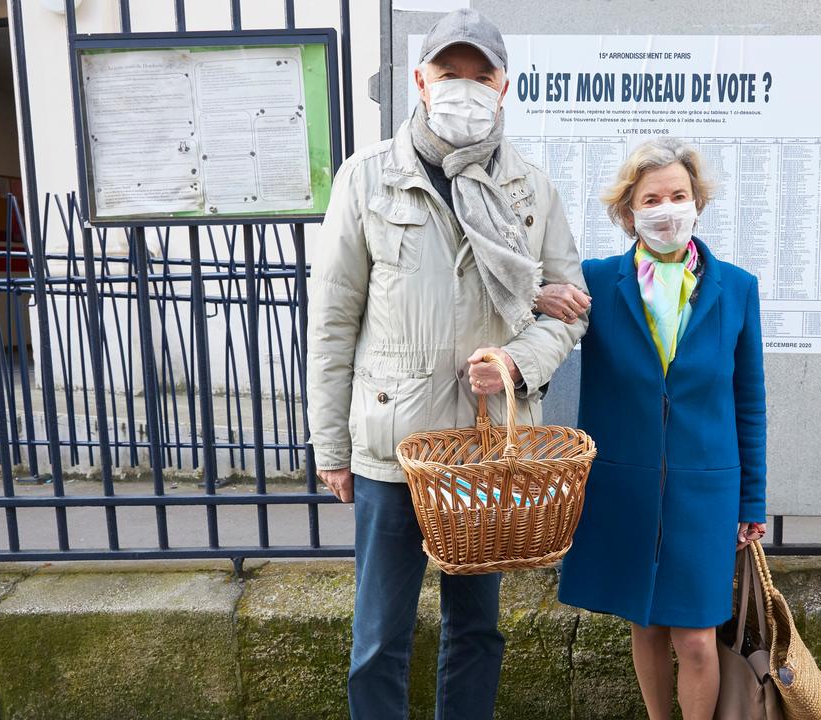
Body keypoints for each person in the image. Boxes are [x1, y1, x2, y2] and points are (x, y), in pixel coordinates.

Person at [305, 9, 587, 719]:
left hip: (488, 450)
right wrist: (330, 446)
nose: (463, 89)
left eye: (479, 76)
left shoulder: (530, 188)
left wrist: (517, 365)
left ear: (504, 85)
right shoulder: (368, 179)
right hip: (392, 449)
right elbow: (333, 322)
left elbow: (569, 309)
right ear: (420, 81)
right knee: (378, 639)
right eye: (448, 74)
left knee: (478, 631)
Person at [543, 137, 767, 720]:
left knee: (695, 636)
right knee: (644, 624)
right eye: (652, 198)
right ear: (629, 211)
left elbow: (750, 400)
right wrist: (536, 298)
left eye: (679, 194)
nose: (668, 207)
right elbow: (535, 318)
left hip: (705, 491)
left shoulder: (737, 287)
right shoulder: (596, 282)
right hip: (626, 486)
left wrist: (753, 499)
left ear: (697, 201)